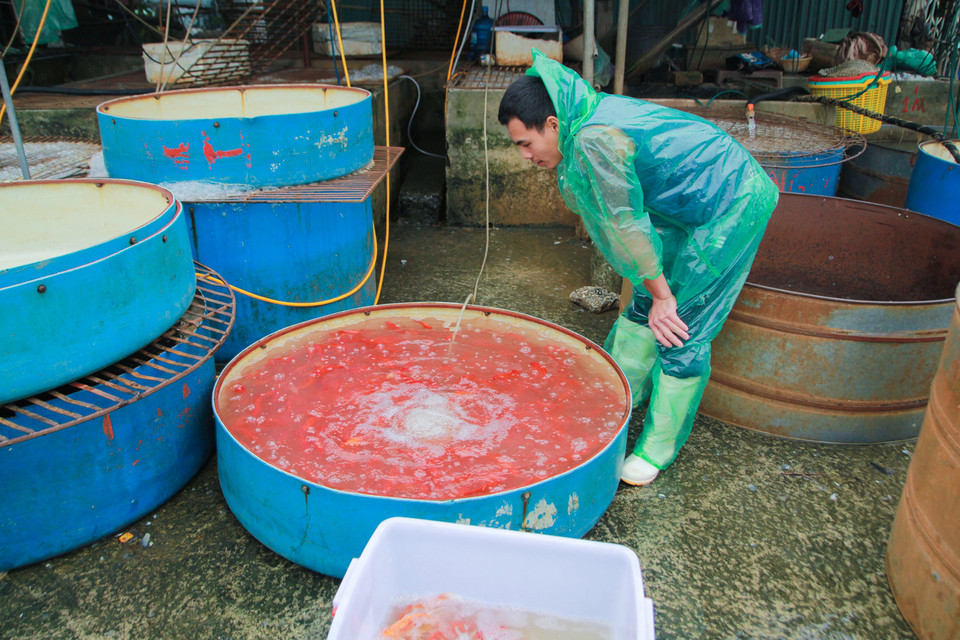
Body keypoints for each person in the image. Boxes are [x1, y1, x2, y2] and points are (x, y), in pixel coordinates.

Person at [498, 50, 778, 486]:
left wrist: (666, 296)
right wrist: (656, 291)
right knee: (646, 300)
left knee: (679, 325)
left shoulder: (593, 140)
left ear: (551, 125)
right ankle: (617, 393)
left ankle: (656, 450)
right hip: (680, 209)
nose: (524, 157)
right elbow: (631, 226)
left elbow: (623, 224)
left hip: (729, 204)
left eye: (525, 145)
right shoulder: (583, 121)